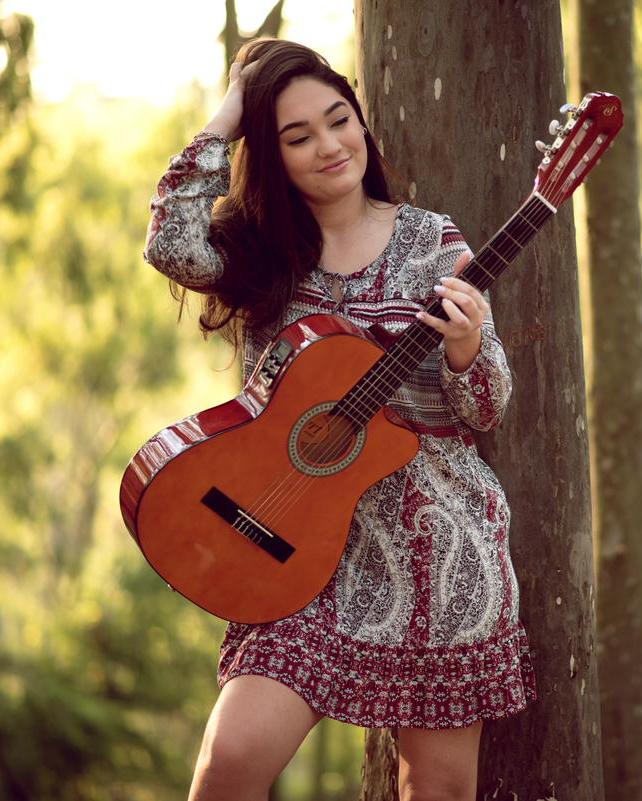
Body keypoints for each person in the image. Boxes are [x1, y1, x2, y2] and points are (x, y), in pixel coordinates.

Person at [143, 38, 535, 801]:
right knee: (227, 769)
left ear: (361, 121)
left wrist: (463, 348)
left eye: (338, 120)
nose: (329, 145)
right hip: (293, 547)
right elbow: (169, 241)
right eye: (297, 135)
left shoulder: (431, 240)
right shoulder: (255, 252)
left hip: (437, 547)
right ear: (272, 154)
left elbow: (487, 406)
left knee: (439, 792)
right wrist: (231, 110)